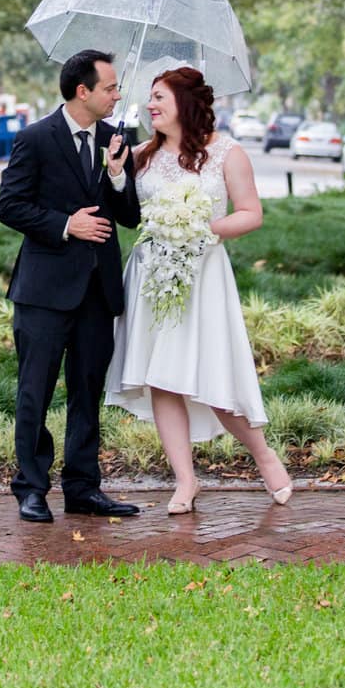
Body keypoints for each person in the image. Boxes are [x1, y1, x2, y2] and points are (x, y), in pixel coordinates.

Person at [105, 65, 294, 515]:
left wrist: (202, 229)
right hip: (152, 277)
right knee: (161, 379)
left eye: (159, 98)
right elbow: (124, 211)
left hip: (203, 276)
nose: (151, 106)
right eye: (150, 99)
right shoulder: (141, 155)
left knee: (211, 376)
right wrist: (115, 173)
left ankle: (264, 455)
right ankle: (185, 481)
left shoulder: (227, 152)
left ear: (185, 105)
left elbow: (250, 213)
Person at [0, 50, 142, 524]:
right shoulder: (35, 138)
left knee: (87, 391)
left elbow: (129, 217)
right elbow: (10, 206)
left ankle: (83, 488)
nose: (117, 95)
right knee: (34, 391)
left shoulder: (118, 141)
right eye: (110, 87)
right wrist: (65, 225)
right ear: (83, 91)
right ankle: (31, 488)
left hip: (98, 292)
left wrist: (119, 177)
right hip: (43, 291)